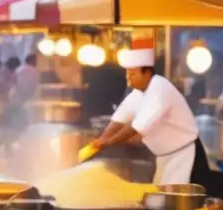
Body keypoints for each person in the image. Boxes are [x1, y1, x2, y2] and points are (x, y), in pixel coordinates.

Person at [86, 42, 212, 186]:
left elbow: (136, 128)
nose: (128, 79)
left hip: (186, 155)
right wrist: (102, 139)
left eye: (132, 74)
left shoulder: (159, 89)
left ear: (146, 73)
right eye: (127, 74)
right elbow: (119, 119)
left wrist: (108, 142)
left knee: (182, 204)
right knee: (162, 200)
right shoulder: (138, 93)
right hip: (165, 156)